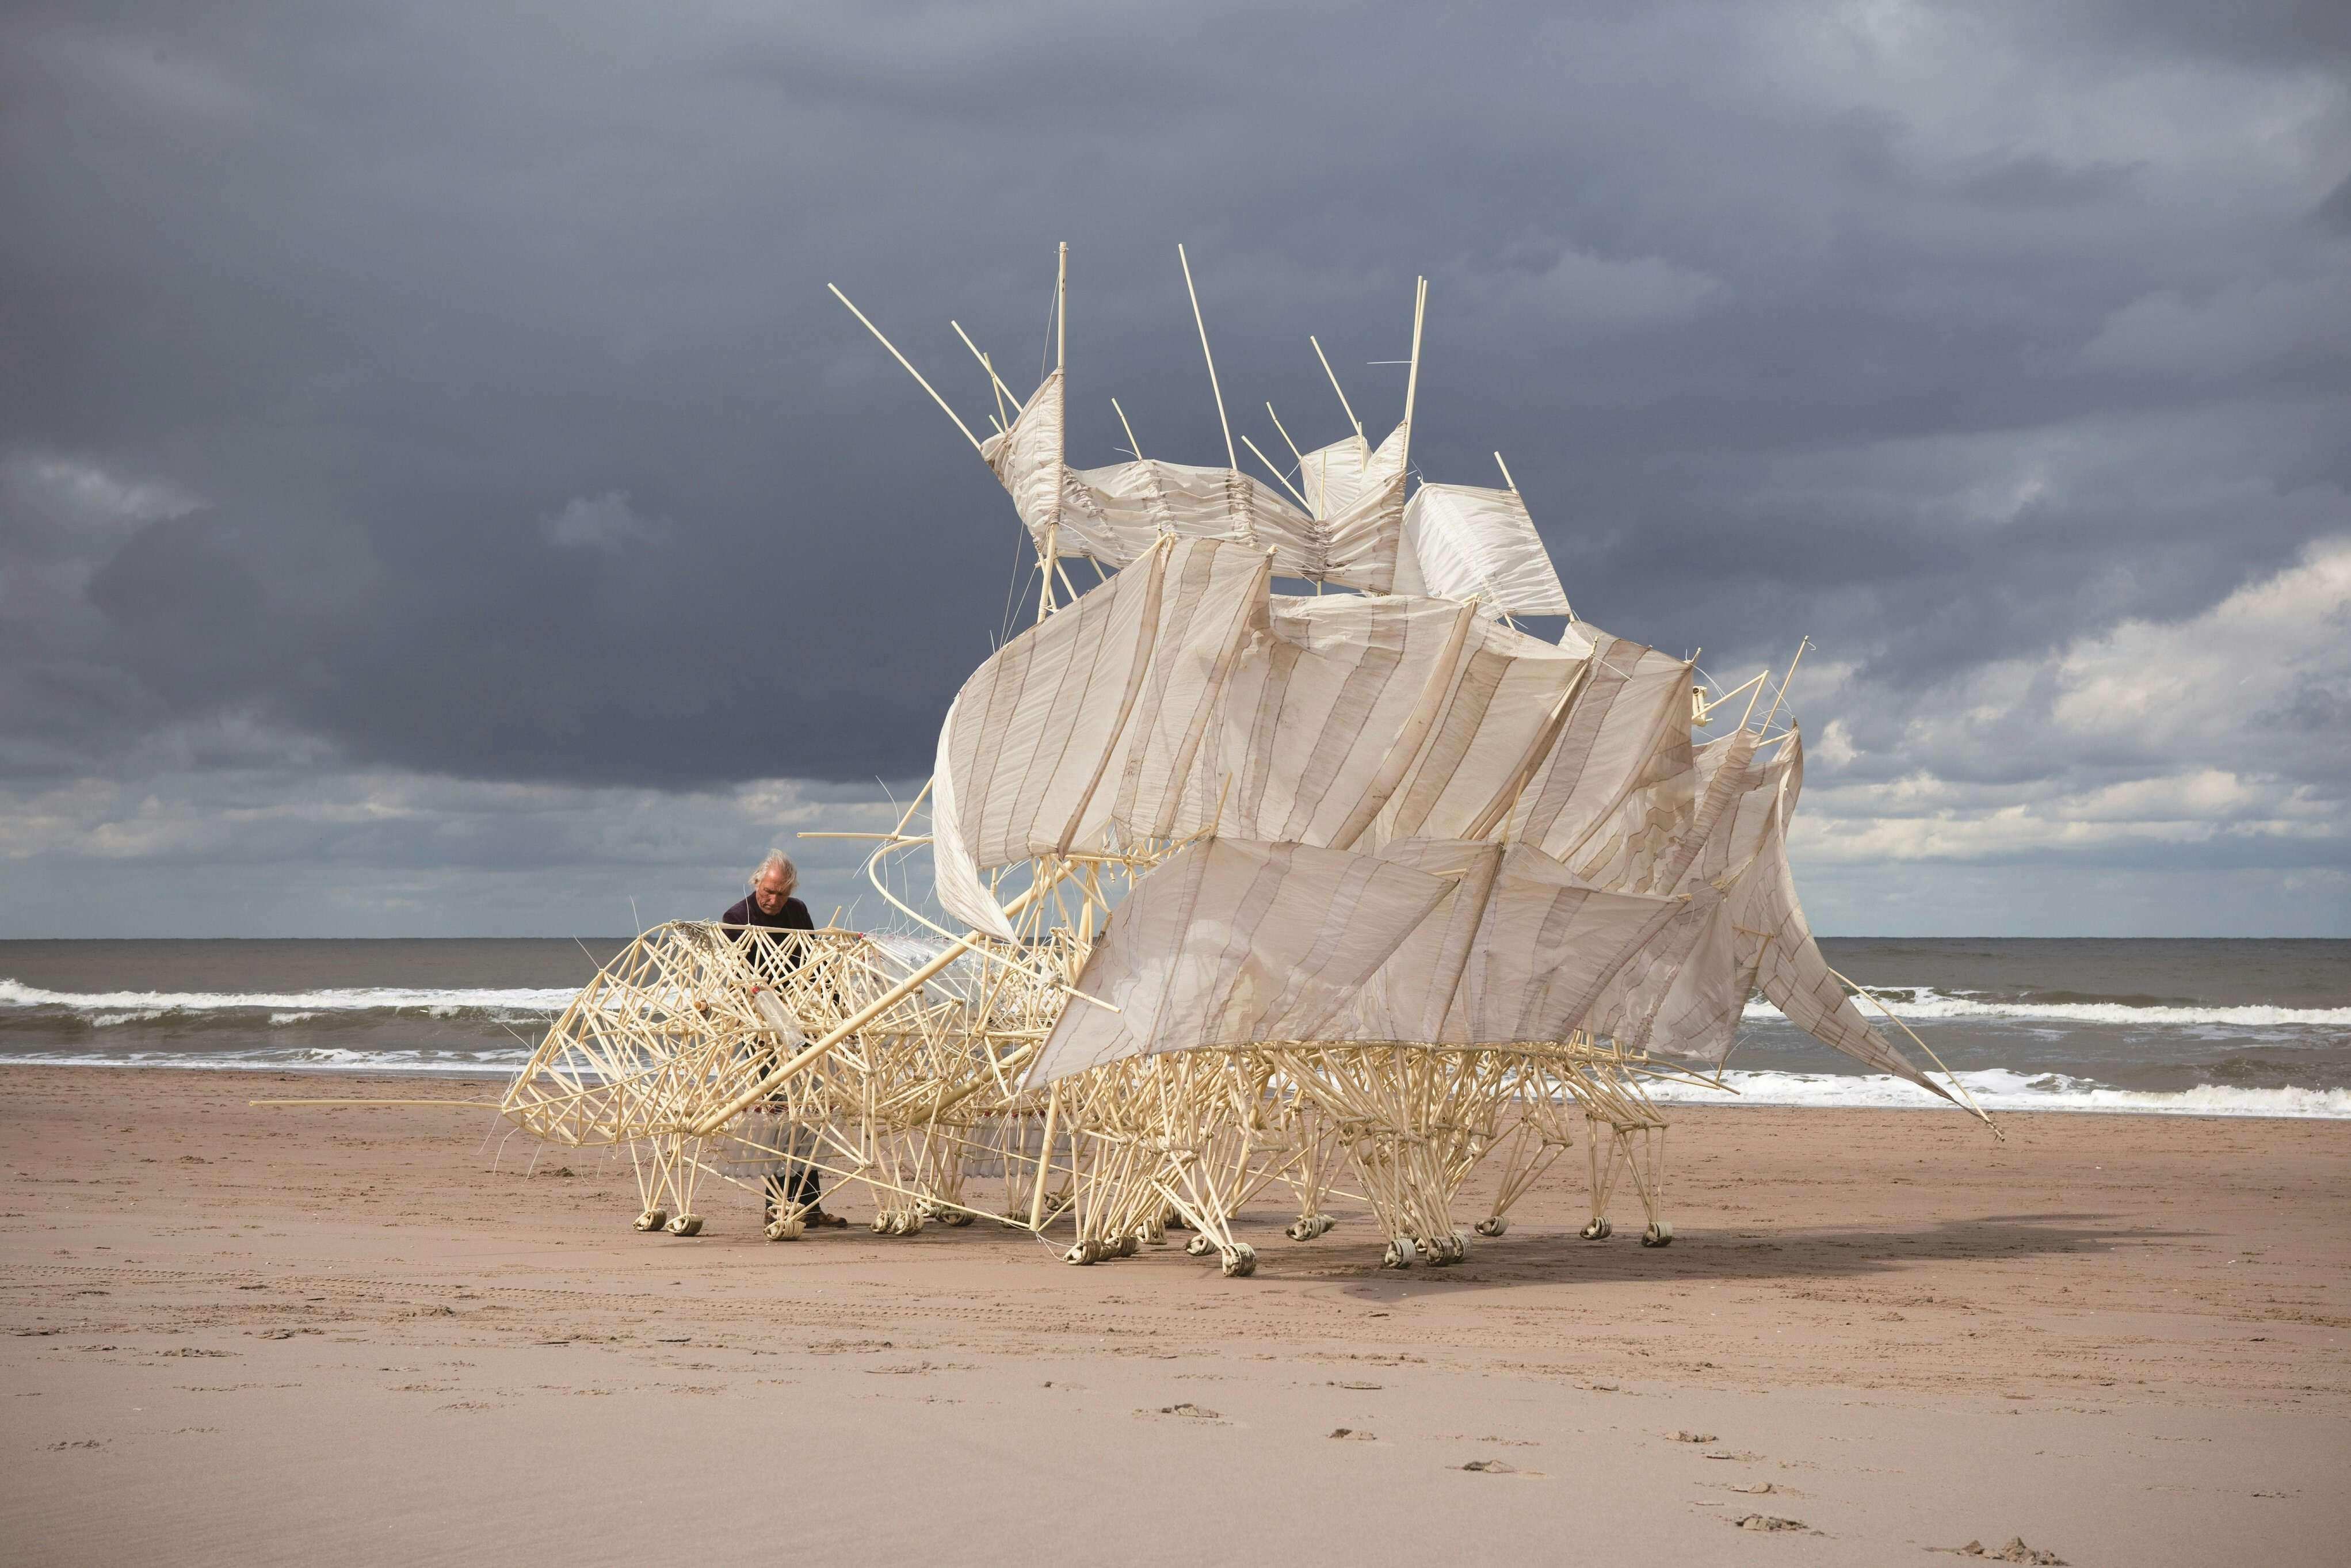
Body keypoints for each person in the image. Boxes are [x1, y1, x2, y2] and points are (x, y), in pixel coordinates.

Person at [719, 851, 845, 1228]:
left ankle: (811, 1206)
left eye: (781, 894)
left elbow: (814, 962)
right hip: (761, 1029)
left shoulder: (797, 912)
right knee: (776, 1117)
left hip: (800, 1023)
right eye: (769, 891)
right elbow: (738, 978)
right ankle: (776, 1205)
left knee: (806, 1114)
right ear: (757, 881)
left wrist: (833, 1005)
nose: (773, 900)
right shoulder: (736, 919)